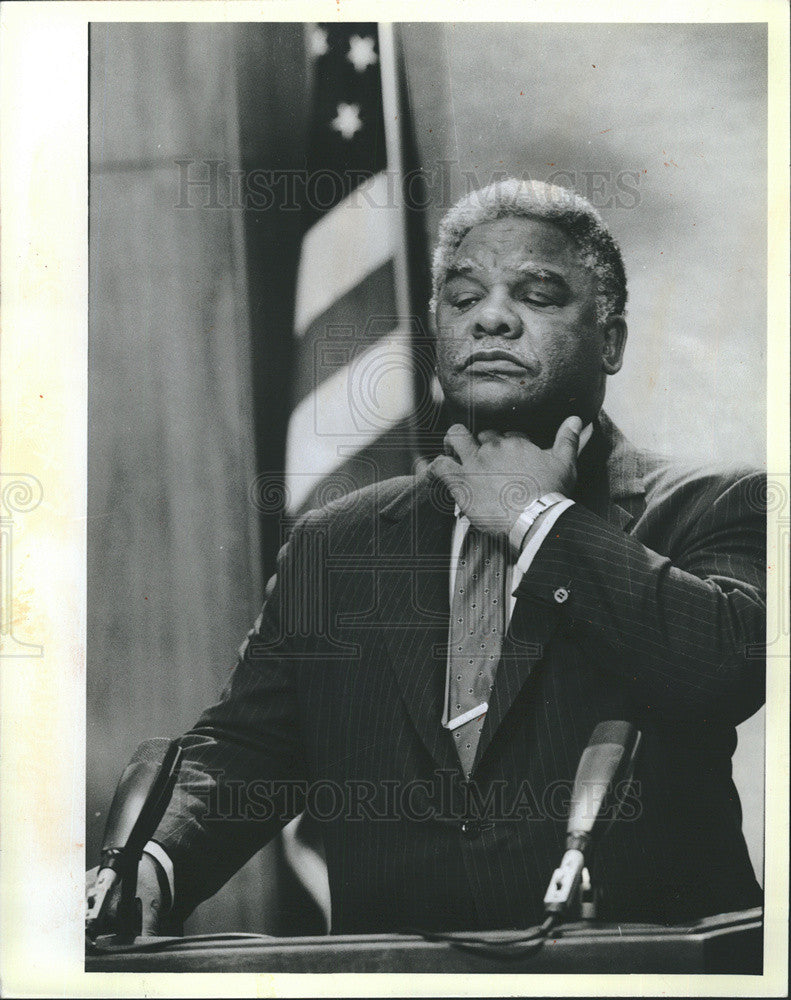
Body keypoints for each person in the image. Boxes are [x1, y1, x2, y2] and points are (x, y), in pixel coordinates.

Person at [87, 179, 765, 936]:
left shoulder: (717, 503)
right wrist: (148, 869)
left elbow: (722, 669)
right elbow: (247, 748)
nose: (492, 317)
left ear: (609, 340)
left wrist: (537, 518)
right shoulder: (336, 542)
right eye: (463, 296)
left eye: (537, 295)